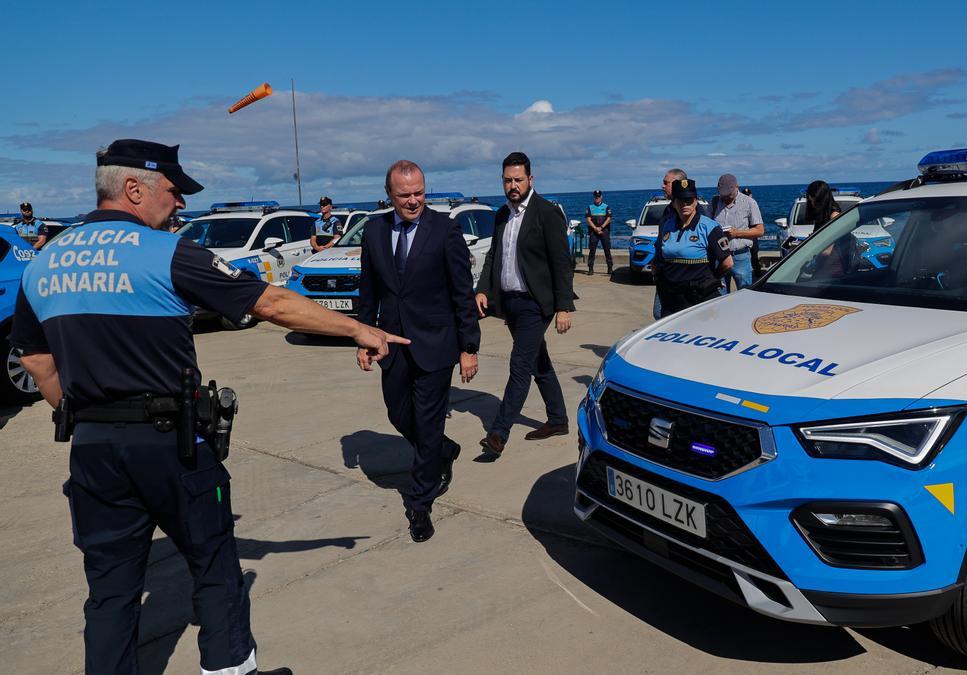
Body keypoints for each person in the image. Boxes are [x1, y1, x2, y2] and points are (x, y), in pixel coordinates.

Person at [11, 139, 405, 675]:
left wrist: (84, 416)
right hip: (171, 444)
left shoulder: (46, 261)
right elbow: (269, 301)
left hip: (93, 451)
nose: (179, 205)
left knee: (109, 592)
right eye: (173, 193)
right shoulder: (167, 252)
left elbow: (36, 362)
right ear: (134, 189)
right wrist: (360, 328)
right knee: (216, 568)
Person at [356, 160, 480, 542]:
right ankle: (441, 449)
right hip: (391, 344)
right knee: (398, 414)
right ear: (389, 195)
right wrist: (362, 338)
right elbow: (368, 291)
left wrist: (468, 348)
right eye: (404, 194)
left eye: (419, 192)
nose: (413, 201)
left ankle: (421, 504)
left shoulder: (444, 229)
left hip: (436, 344)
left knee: (427, 424)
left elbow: (462, 293)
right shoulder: (374, 231)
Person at [475, 152, 574, 457]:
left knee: (519, 365)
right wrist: (483, 289)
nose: (513, 185)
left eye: (518, 179)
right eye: (508, 180)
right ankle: (558, 419)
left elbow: (561, 262)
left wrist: (563, 306)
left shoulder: (546, 213)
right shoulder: (501, 215)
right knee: (537, 362)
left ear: (531, 179)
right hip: (510, 304)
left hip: (535, 303)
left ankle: (498, 433)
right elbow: (495, 256)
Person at [653, 178, 733, 316]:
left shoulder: (709, 227)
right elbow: (658, 257)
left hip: (699, 298)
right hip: (671, 299)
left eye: (689, 200)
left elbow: (727, 263)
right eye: (681, 200)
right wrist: (657, 278)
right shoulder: (667, 225)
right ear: (673, 202)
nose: (685, 204)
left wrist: (712, 280)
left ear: (696, 201)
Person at [709, 173, 763, 292]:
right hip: (719, 257)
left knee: (745, 295)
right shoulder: (714, 202)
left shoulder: (749, 203)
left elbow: (760, 230)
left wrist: (736, 233)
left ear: (737, 187)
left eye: (729, 194)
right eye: (723, 194)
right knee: (718, 296)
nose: (725, 197)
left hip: (740, 256)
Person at [652, 168, 689, 320]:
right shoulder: (668, 211)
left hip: (682, 275)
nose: (662, 186)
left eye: (666, 183)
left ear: (677, 185)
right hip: (665, 274)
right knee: (660, 313)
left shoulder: (692, 212)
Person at [805, 179, 853, 277]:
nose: (812, 203)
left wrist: (805, 248)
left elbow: (827, 251)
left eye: (813, 200)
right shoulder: (823, 215)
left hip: (833, 268)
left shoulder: (834, 215)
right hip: (825, 265)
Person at [585, 189, 612, 275]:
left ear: (601, 197)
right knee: (592, 250)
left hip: (604, 231)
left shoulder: (606, 207)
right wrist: (596, 228)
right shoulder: (590, 207)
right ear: (594, 197)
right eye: (596, 197)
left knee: (607, 250)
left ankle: (610, 268)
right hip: (593, 231)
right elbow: (588, 220)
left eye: (599, 197)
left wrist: (601, 227)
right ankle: (590, 268)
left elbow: (609, 219)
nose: (597, 198)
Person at [742, 187, 764, 278]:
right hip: (743, 234)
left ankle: (757, 273)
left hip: (752, 234)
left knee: (754, 255)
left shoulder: (754, 205)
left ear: (751, 195)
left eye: (748, 195)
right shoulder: (741, 205)